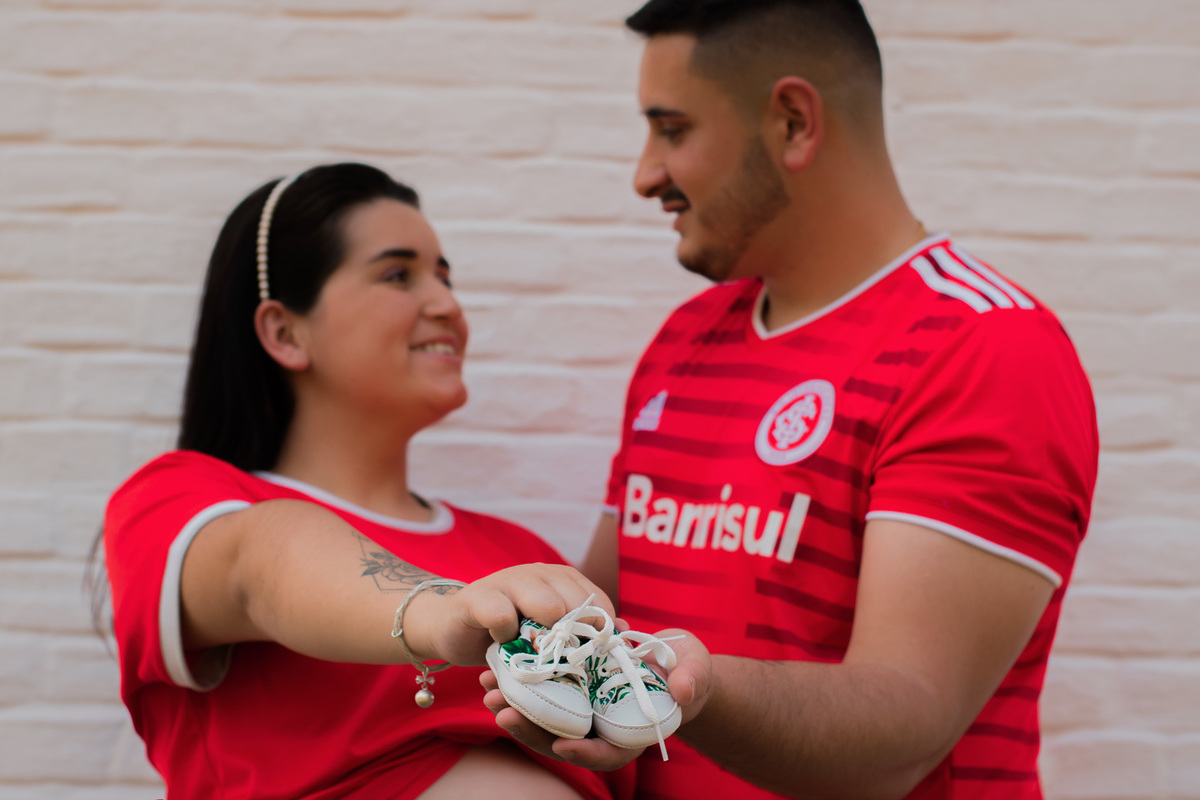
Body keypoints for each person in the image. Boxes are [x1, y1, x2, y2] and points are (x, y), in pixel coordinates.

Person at [483, 2, 1099, 799]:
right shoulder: (686, 339)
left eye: (672, 130)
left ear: (794, 123)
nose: (645, 175)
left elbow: (901, 732)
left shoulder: (985, 348)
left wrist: (691, 691)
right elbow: (605, 620)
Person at [100, 163, 631, 800]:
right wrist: (444, 612)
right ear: (284, 332)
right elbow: (263, 561)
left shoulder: (518, 553)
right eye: (397, 275)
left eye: (444, 277)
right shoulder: (185, 500)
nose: (447, 305)